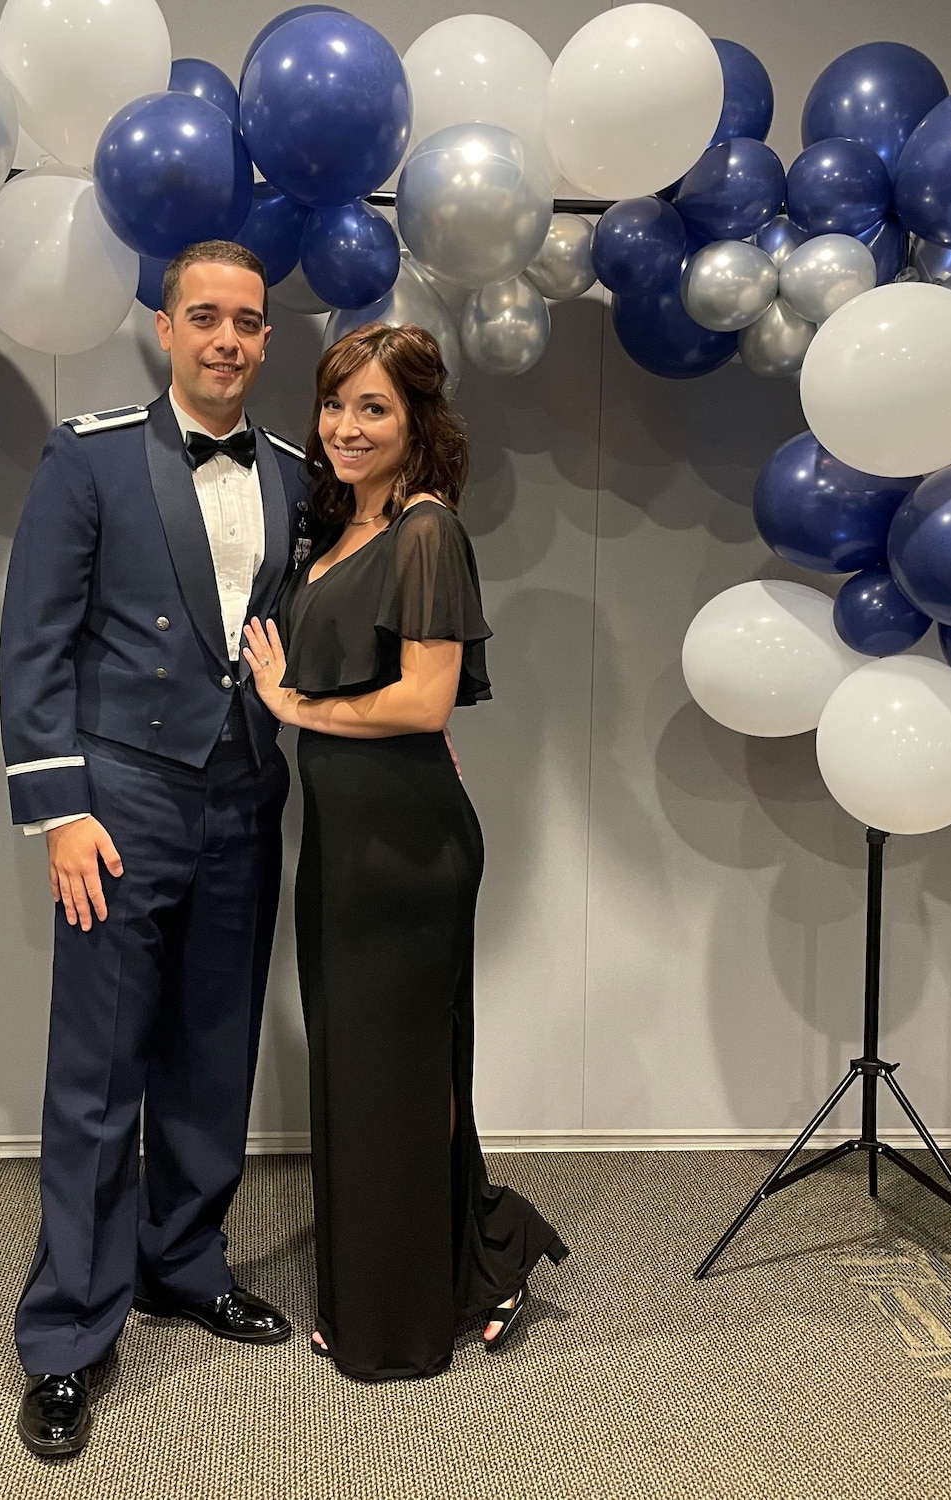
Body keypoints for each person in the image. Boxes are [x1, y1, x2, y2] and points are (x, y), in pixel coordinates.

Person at [0, 241, 314, 1457]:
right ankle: (70, 1335)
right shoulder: (87, 458)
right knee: (97, 1072)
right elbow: (33, 639)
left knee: (213, 1047)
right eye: (204, 317)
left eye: (246, 320)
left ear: (265, 337)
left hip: (245, 795)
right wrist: (58, 810)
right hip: (119, 804)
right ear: (165, 327)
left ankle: (182, 1262)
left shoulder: (291, 473)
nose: (226, 338)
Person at [241, 324, 568, 1381]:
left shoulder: (426, 529)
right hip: (347, 833)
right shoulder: (340, 528)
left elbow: (424, 697)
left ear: (416, 421)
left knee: (390, 1072)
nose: (344, 426)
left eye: (372, 408)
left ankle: (399, 1315)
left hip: (403, 848)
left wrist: (293, 705)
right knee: (359, 1068)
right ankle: (467, 1255)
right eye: (335, 404)